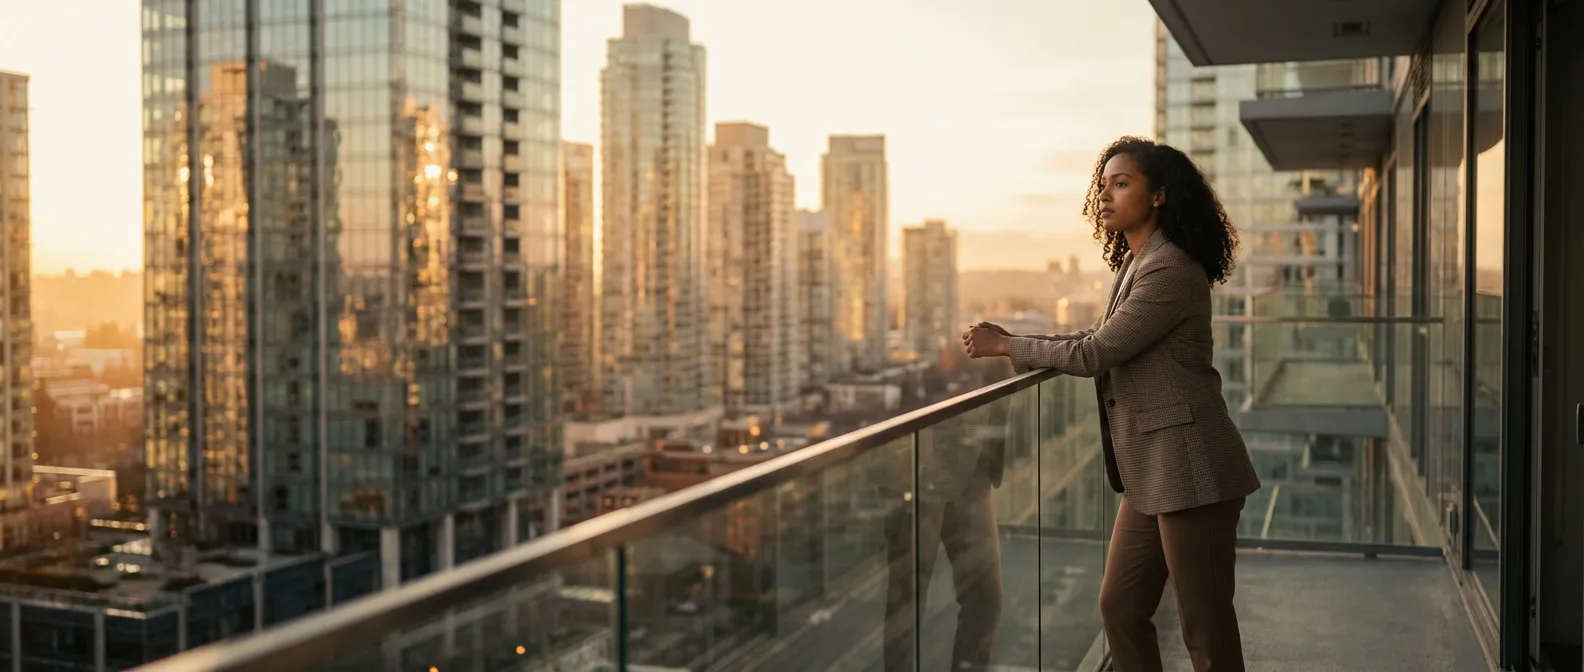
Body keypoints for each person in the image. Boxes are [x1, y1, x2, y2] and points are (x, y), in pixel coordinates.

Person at [963, 136, 1262, 672]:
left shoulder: (1171, 268)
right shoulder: (1137, 263)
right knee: (1120, 605)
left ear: (1159, 197)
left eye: (1122, 184)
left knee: (1206, 626)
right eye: (1103, 185)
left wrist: (1008, 346)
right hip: (1151, 468)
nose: (1105, 195)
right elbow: (1103, 334)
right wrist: (1025, 339)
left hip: (1191, 468)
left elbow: (1098, 352)